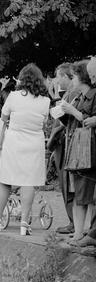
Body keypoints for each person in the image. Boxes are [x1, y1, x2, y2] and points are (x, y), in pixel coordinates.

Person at [0, 63, 51, 235]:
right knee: (28, 182)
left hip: (14, 141)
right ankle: (24, 224)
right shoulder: (45, 101)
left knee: (6, 181)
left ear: (21, 79)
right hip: (34, 142)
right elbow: (44, 123)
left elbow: (4, 116)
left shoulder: (13, 96)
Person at [55, 58, 96, 244]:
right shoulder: (77, 96)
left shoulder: (92, 95)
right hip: (77, 150)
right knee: (79, 193)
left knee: (86, 193)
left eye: (74, 76)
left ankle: (85, 233)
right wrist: (63, 114)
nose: (72, 80)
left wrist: (72, 111)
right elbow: (74, 121)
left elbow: (86, 119)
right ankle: (79, 232)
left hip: (88, 150)